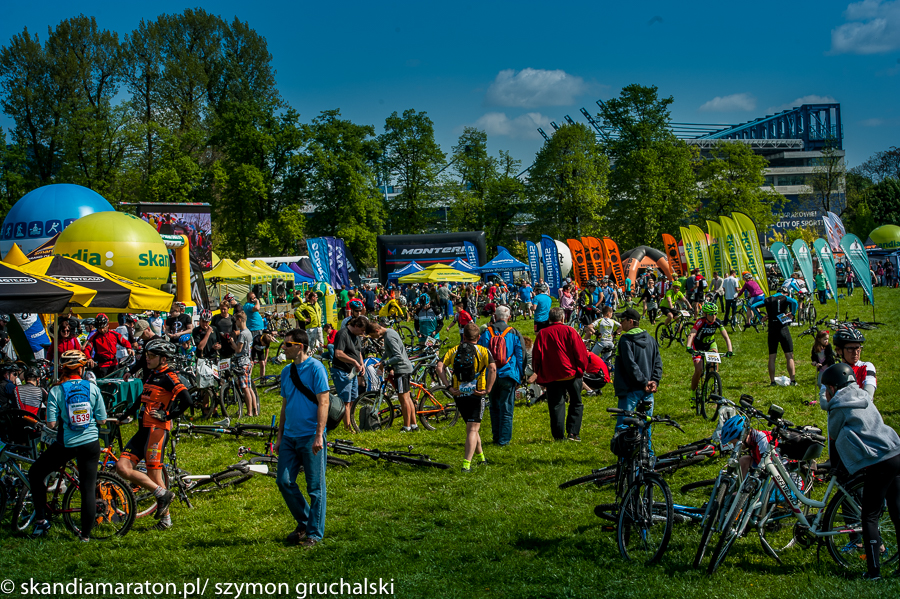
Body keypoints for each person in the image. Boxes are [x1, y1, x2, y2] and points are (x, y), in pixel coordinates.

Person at [820, 363, 900, 580]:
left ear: (833, 387)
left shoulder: (837, 405)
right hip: (896, 451)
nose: (826, 392)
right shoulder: (863, 395)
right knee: (896, 511)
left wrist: (835, 467)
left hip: (880, 461)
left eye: (827, 387)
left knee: (869, 516)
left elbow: (834, 438)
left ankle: (874, 572)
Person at [28, 350, 107, 540]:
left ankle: (40, 520)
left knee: (36, 473)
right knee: (88, 488)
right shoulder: (92, 388)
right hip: (90, 442)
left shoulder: (57, 390)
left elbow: (51, 424)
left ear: (64, 368)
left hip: (68, 443)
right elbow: (103, 420)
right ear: (80, 369)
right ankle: (85, 536)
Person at [117, 339, 193, 531]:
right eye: (147, 356)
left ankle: (166, 520)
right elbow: (140, 400)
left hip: (157, 431)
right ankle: (162, 493)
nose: (147, 359)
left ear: (163, 359)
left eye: (152, 356)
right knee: (121, 467)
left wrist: (168, 414)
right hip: (143, 429)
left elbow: (187, 400)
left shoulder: (169, 376)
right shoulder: (151, 375)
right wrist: (124, 415)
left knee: (153, 473)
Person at [275, 328, 329, 548]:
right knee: (284, 481)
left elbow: (324, 401)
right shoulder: (286, 372)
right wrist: (279, 437)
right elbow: (285, 405)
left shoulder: (316, 368)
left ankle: (314, 533)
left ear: (300, 346)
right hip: (289, 436)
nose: (283, 347)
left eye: (287, 344)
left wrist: (319, 435)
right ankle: (306, 522)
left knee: (315, 488)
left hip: (310, 436)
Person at [437, 322, 496, 471]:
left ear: (464, 336)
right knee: (473, 429)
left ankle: (482, 458)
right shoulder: (483, 351)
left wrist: (448, 386)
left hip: (459, 393)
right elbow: (493, 369)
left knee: (471, 428)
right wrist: (488, 389)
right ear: (478, 337)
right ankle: (466, 465)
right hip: (477, 392)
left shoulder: (454, 350)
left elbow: (439, 367)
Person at [532, 308, 589, 441]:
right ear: (563, 319)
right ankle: (573, 433)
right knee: (576, 402)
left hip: (553, 375)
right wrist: (581, 369)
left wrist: (538, 371)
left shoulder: (542, 334)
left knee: (556, 405)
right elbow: (581, 353)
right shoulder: (570, 331)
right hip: (571, 373)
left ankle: (558, 436)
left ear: (549, 319)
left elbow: (536, 356)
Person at [477, 306, 525, 446]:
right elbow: (521, 356)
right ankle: (504, 440)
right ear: (509, 317)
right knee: (506, 408)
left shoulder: (486, 333)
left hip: (490, 375)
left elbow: (480, 354)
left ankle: (496, 436)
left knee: (494, 407)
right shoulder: (514, 333)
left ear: (495, 316)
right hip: (508, 374)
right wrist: (520, 376)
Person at [613, 307, 663, 441]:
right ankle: (647, 459)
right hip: (648, 391)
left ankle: (625, 460)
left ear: (630, 322)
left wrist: (644, 382)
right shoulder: (651, 339)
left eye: (622, 320)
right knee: (646, 429)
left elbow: (630, 365)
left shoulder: (625, 340)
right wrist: (654, 381)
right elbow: (658, 363)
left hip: (630, 390)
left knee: (624, 427)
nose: (620, 323)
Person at [365, 321, 416, 432]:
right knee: (407, 398)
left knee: (403, 400)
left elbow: (398, 356)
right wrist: (382, 361)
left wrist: (385, 363)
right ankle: (414, 425)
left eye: (373, 336)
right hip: (403, 369)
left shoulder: (389, 337)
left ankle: (406, 427)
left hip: (401, 369)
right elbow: (388, 352)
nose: (373, 338)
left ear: (377, 331)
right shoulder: (389, 332)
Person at [684, 302, 734, 405]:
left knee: (714, 361)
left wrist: (730, 350)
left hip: (710, 344)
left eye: (715, 313)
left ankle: (715, 381)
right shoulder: (700, 322)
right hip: (697, 346)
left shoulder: (718, 322)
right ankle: (693, 394)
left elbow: (726, 337)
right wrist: (688, 346)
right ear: (705, 314)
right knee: (698, 370)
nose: (714, 316)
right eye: (711, 314)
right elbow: (692, 333)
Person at [331, 315, 367, 432]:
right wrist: (354, 361)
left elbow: (359, 352)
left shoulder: (356, 336)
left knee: (353, 400)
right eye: (361, 330)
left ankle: (351, 423)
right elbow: (338, 353)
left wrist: (362, 364)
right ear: (355, 326)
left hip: (353, 372)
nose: (362, 334)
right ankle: (348, 428)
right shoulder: (342, 334)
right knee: (345, 401)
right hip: (342, 371)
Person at [762, 290, 798, 386]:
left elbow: (753, 306)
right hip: (783, 328)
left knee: (772, 356)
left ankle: (772, 381)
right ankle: (793, 380)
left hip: (772, 328)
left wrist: (760, 317)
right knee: (789, 355)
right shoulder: (784, 298)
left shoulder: (768, 299)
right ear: (784, 293)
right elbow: (795, 302)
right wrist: (792, 314)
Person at [830, 327, 876, 399]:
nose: (855, 353)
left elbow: (868, 396)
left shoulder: (866, 367)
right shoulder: (832, 371)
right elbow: (824, 402)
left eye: (858, 348)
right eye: (850, 349)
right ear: (839, 350)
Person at [83, 313, 134, 378]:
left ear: (107, 325)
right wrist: (89, 358)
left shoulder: (114, 334)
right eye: (99, 328)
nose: (101, 330)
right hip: (102, 366)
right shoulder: (94, 337)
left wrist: (129, 348)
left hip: (115, 364)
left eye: (103, 327)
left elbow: (124, 341)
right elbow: (87, 349)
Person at [228, 311, 258, 416]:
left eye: (236, 321)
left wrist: (232, 342)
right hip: (248, 361)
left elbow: (238, 349)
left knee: (245, 389)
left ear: (240, 320)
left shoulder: (242, 334)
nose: (235, 323)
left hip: (242, 362)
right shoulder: (249, 332)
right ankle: (255, 410)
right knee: (249, 388)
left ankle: (249, 412)